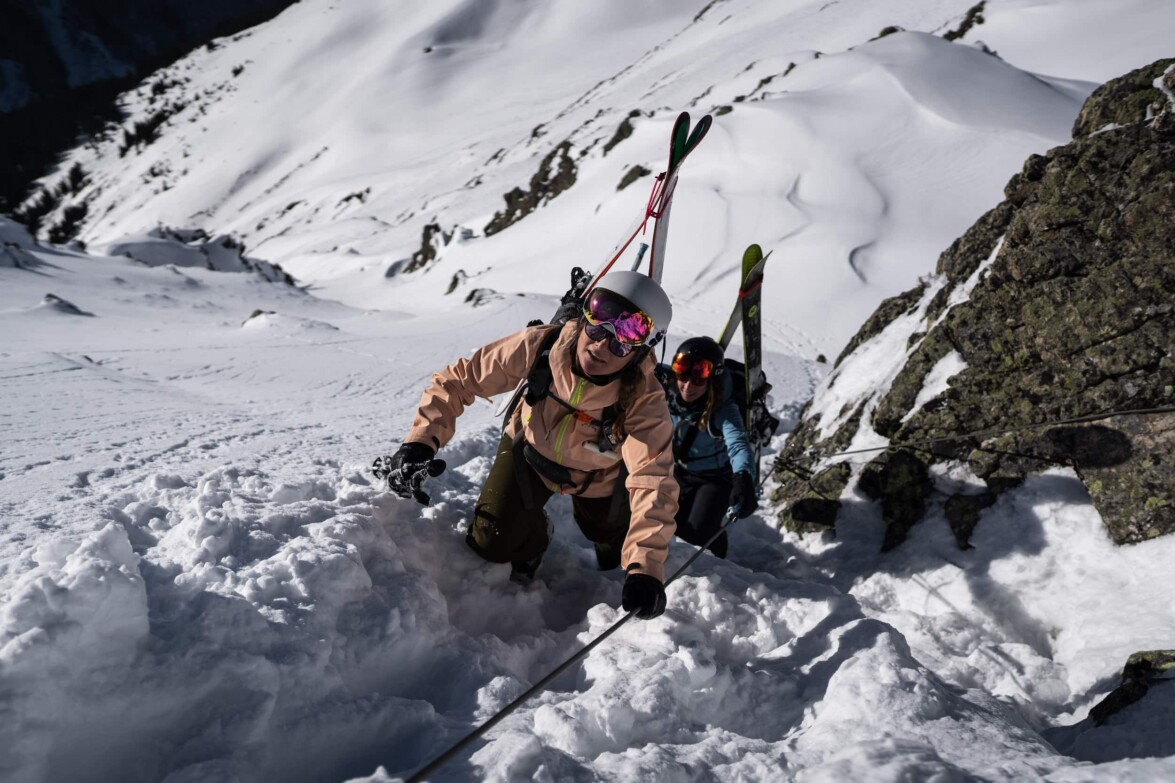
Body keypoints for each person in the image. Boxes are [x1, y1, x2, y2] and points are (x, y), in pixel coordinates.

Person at [381, 271, 680, 620]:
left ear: (642, 349)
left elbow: (653, 480)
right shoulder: (542, 346)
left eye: (625, 335)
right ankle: (536, 537)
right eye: (599, 318)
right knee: (491, 542)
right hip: (529, 451)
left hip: (596, 476)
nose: (601, 343)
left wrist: (645, 568)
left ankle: (609, 539)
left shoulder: (644, 400)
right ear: (585, 311)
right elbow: (459, 381)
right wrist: (421, 441)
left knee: (608, 536)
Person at [658, 336, 757, 558]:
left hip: (714, 477)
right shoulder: (668, 388)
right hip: (678, 469)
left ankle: (717, 551)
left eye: (698, 380)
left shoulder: (724, 410)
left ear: (712, 380)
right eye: (682, 374)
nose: (688, 386)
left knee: (696, 533)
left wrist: (743, 477)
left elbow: (738, 443)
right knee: (664, 522)